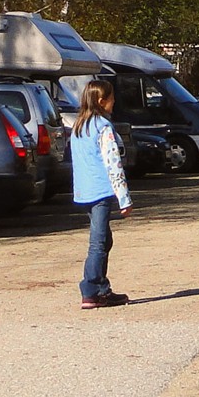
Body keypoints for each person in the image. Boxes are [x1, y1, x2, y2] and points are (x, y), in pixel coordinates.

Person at [71, 81, 132, 309]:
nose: (114, 101)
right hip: (101, 191)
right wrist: (124, 198)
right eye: (111, 97)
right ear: (101, 101)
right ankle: (91, 289)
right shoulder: (103, 127)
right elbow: (113, 164)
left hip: (85, 191)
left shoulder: (79, 126)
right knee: (98, 243)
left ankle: (101, 288)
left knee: (105, 239)